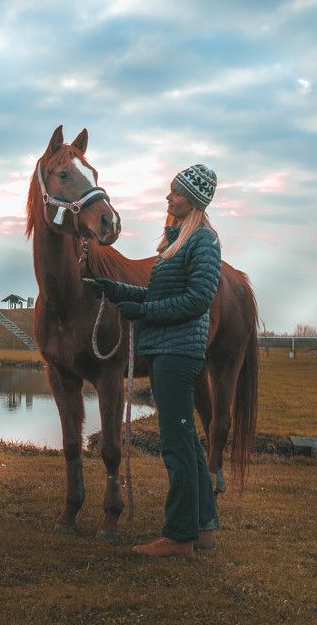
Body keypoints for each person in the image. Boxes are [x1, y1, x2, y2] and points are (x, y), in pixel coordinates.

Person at [85, 164, 222, 559]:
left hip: (178, 353)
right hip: (167, 350)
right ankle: (204, 528)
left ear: (191, 200)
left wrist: (144, 313)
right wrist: (116, 290)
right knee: (187, 444)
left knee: (176, 445)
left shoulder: (204, 243)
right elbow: (158, 292)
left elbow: (197, 300)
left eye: (175, 192)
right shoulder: (176, 241)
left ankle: (178, 537)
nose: (168, 198)